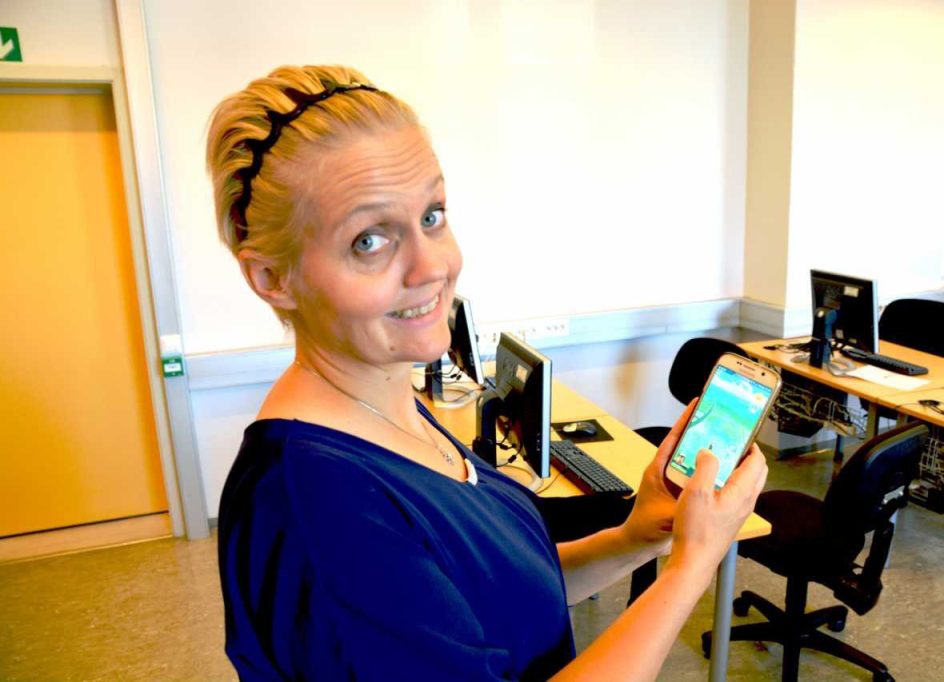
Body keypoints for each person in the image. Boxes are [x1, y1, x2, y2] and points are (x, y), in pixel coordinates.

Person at [207, 64, 768, 681]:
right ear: (273, 278)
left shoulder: (387, 402)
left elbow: (497, 601)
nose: (432, 267)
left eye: (432, 215)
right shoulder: (321, 508)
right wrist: (691, 567)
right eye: (369, 240)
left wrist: (637, 538)